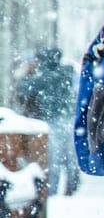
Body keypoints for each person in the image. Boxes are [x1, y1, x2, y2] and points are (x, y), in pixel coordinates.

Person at [17, 47, 78, 195]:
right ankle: (72, 185)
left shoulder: (42, 76)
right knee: (70, 156)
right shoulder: (66, 72)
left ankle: (52, 189)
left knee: (54, 158)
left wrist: (25, 73)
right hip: (69, 119)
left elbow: (24, 88)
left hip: (51, 121)